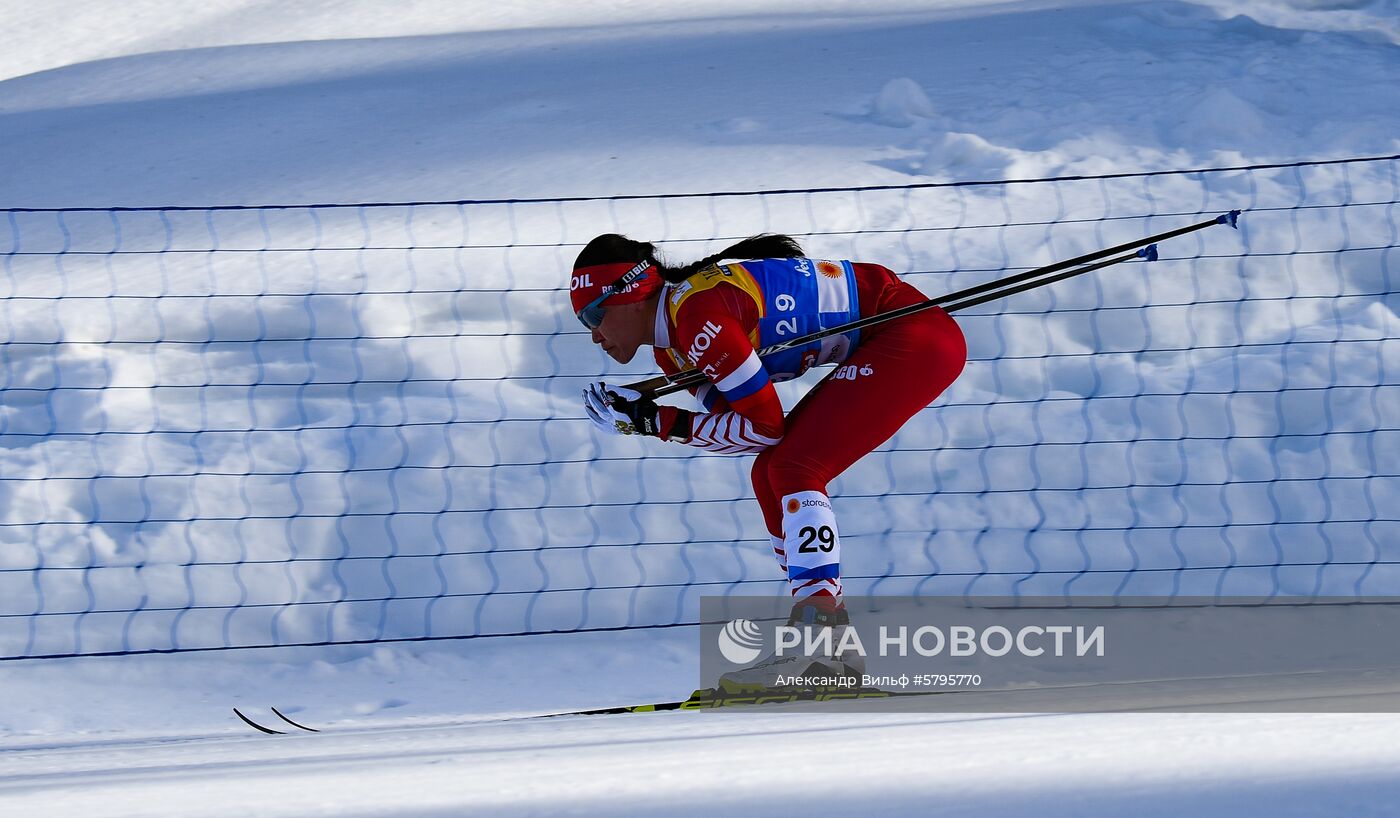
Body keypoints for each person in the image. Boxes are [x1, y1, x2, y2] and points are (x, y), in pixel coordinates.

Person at [569, 233, 967, 689]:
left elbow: (764, 427)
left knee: (794, 467)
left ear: (633, 295)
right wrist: (652, 418)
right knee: (771, 470)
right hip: (890, 334)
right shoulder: (671, 348)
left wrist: (658, 422)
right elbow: (745, 429)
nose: (594, 333)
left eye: (594, 314)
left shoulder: (698, 319)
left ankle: (821, 644)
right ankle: (823, 640)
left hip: (912, 334)